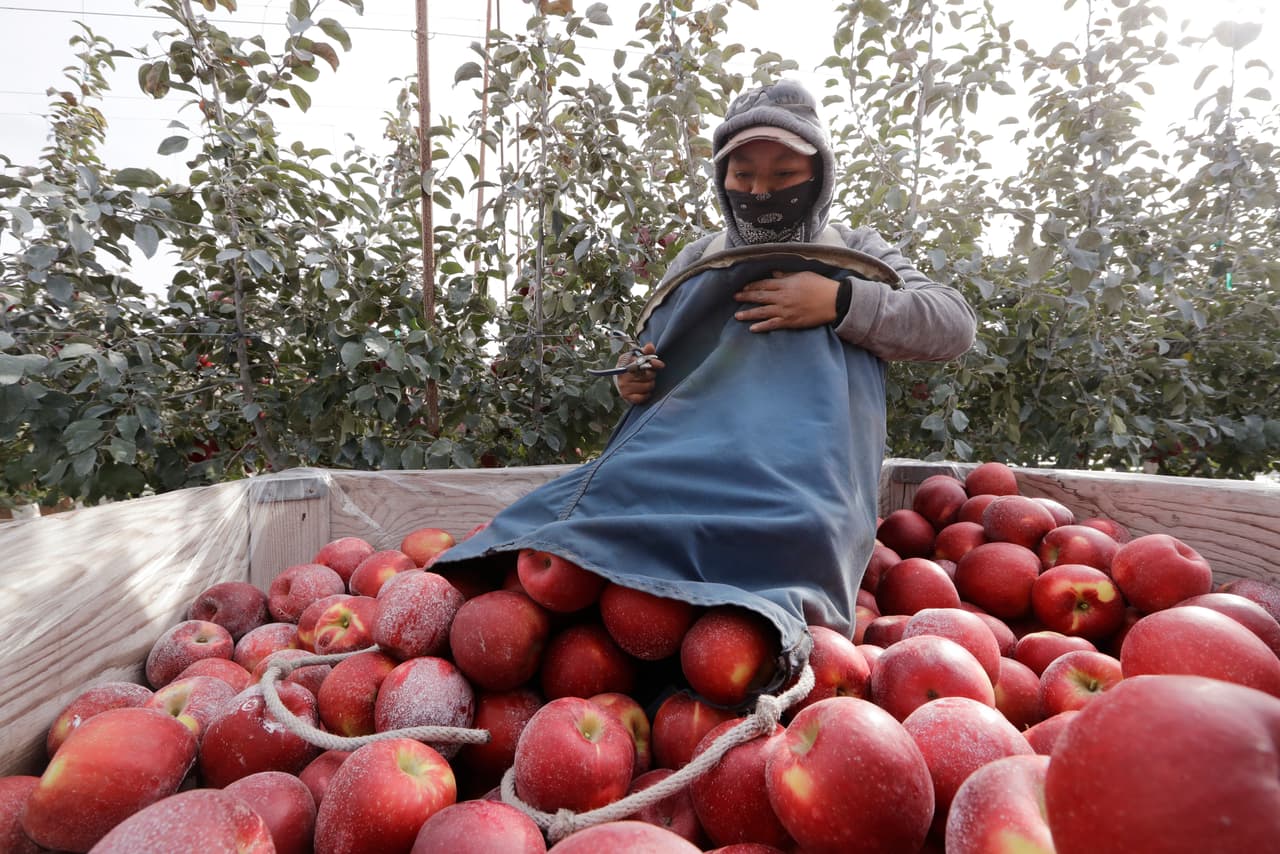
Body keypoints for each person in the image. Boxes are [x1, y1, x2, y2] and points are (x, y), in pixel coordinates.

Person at [433, 79, 976, 687]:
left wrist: (839, 300)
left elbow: (953, 323)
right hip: (689, 461)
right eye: (743, 175)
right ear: (723, 179)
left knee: (793, 548)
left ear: (819, 174)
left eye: (783, 173)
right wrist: (635, 376)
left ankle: (741, 644)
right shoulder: (701, 257)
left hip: (803, 477)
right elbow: (649, 347)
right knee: (586, 519)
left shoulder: (853, 251)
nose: (761, 191)